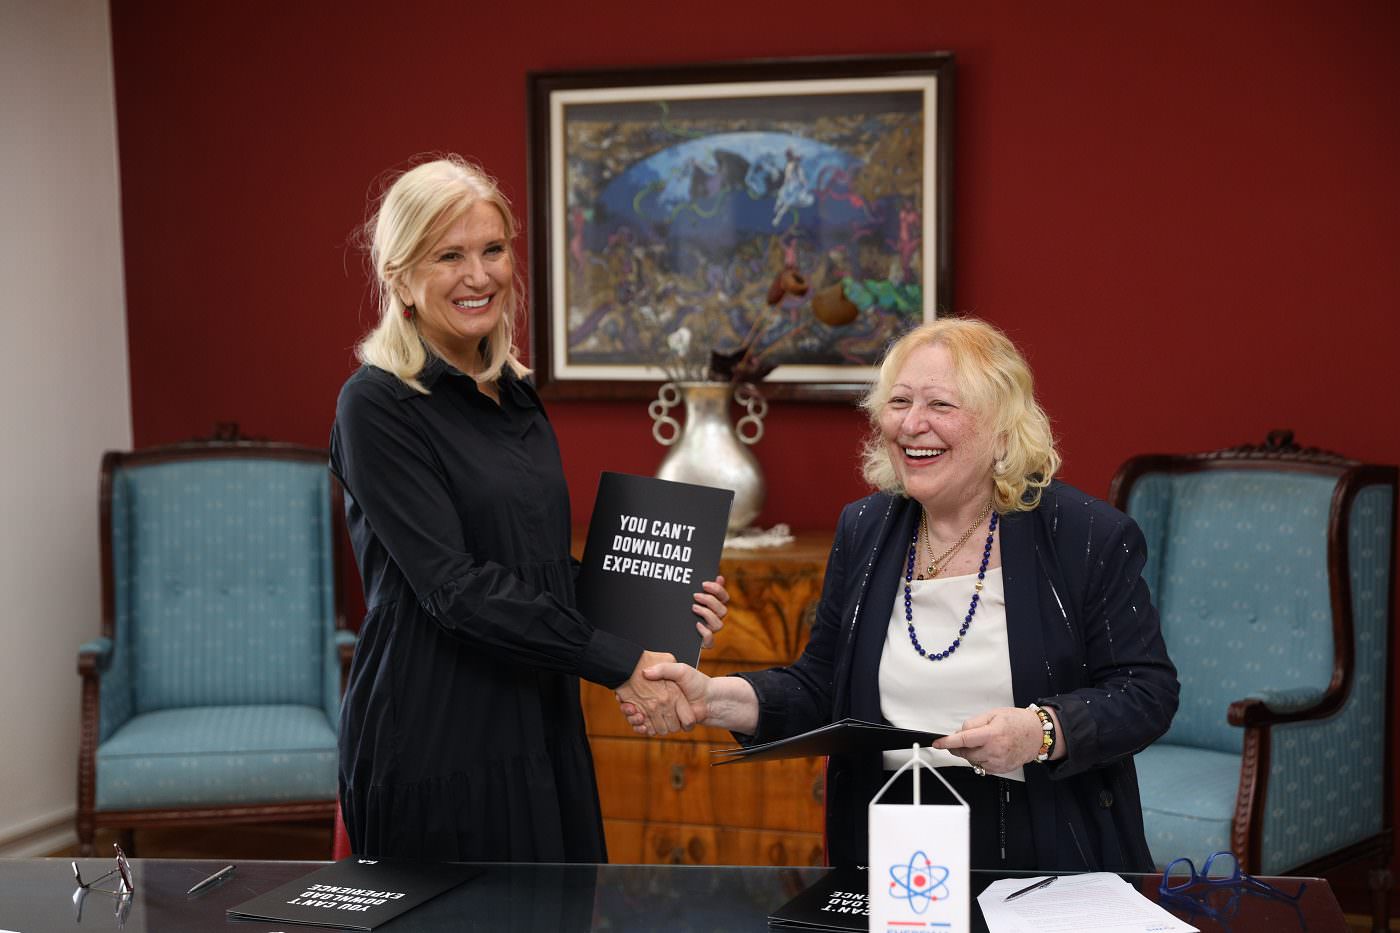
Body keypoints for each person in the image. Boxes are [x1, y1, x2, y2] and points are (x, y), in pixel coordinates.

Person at [623, 317, 1179, 871]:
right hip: (891, 845)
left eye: (940, 405)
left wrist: (1042, 732)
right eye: (899, 402)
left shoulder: (1086, 535)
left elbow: (1146, 691)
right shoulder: (864, 528)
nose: (912, 424)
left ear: (1003, 429)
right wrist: (711, 698)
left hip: (1043, 844)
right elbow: (822, 687)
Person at [330, 155, 729, 861]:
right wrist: (618, 662)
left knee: (565, 905)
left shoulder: (515, 394)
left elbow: (536, 567)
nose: (479, 275)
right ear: (401, 276)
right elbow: (456, 588)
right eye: (449, 256)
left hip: (543, 720)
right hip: (436, 736)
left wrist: (664, 607)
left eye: (493, 249)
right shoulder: (376, 405)